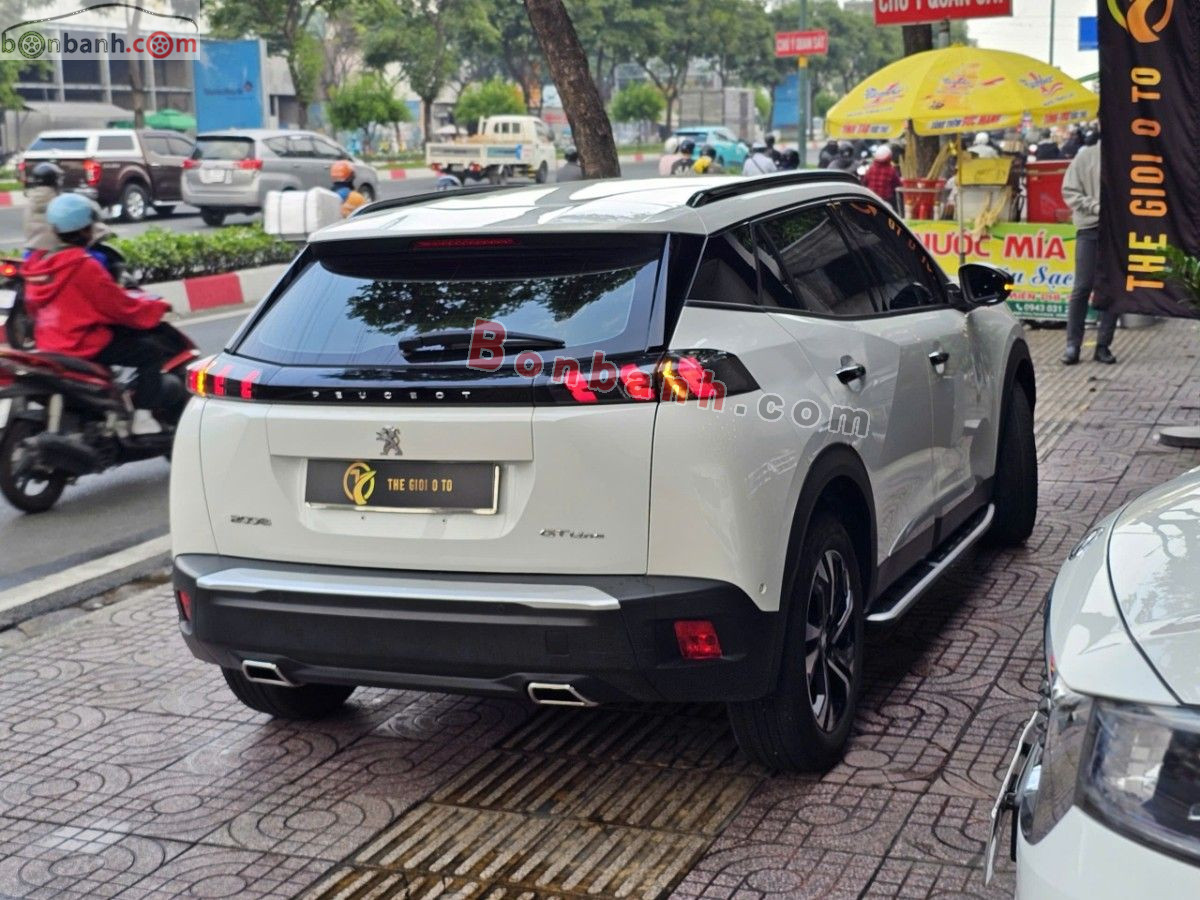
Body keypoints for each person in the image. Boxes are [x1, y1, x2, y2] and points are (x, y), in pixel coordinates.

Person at [22, 194, 177, 434]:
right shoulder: (83, 265)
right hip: (81, 344)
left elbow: (33, 308)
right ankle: (143, 419)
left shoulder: (38, 266)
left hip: (48, 343)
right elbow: (118, 307)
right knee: (151, 352)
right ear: (86, 229)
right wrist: (157, 308)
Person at [1061, 129, 1116, 366]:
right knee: (1082, 287)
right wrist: (1095, 207)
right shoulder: (1085, 157)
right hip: (1089, 229)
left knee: (1112, 288)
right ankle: (1073, 345)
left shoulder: (1128, 158)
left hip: (1117, 231)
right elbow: (1069, 190)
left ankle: (1103, 345)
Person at [862, 144, 902, 209]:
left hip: (872, 199)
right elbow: (897, 185)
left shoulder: (871, 169)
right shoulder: (891, 170)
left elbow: (864, 182)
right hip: (886, 201)